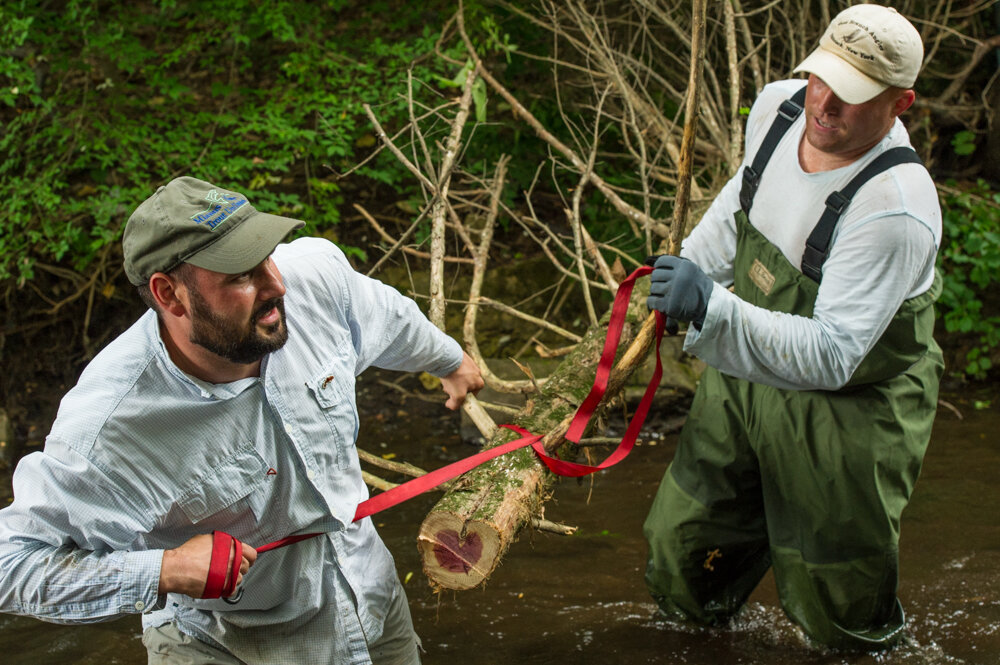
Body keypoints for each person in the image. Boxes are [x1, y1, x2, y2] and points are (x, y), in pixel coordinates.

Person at [0, 176, 484, 664]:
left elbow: (386, 315)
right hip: (225, 643)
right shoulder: (110, 427)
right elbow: (11, 564)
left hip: (372, 607)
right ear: (170, 295)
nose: (277, 285)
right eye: (239, 276)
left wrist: (450, 361)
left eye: (267, 256)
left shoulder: (312, 279)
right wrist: (163, 570)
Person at [642, 5, 942, 650]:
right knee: (683, 549)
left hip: (846, 410)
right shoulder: (780, 108)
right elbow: (743, 199)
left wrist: (711, 309)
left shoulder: (895, 208)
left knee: (835, 601)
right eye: (821, 79)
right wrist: (692, 267)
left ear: (900, 104)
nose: (825, 106)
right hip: (744, 374)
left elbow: (833, 355)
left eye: (853, 96)